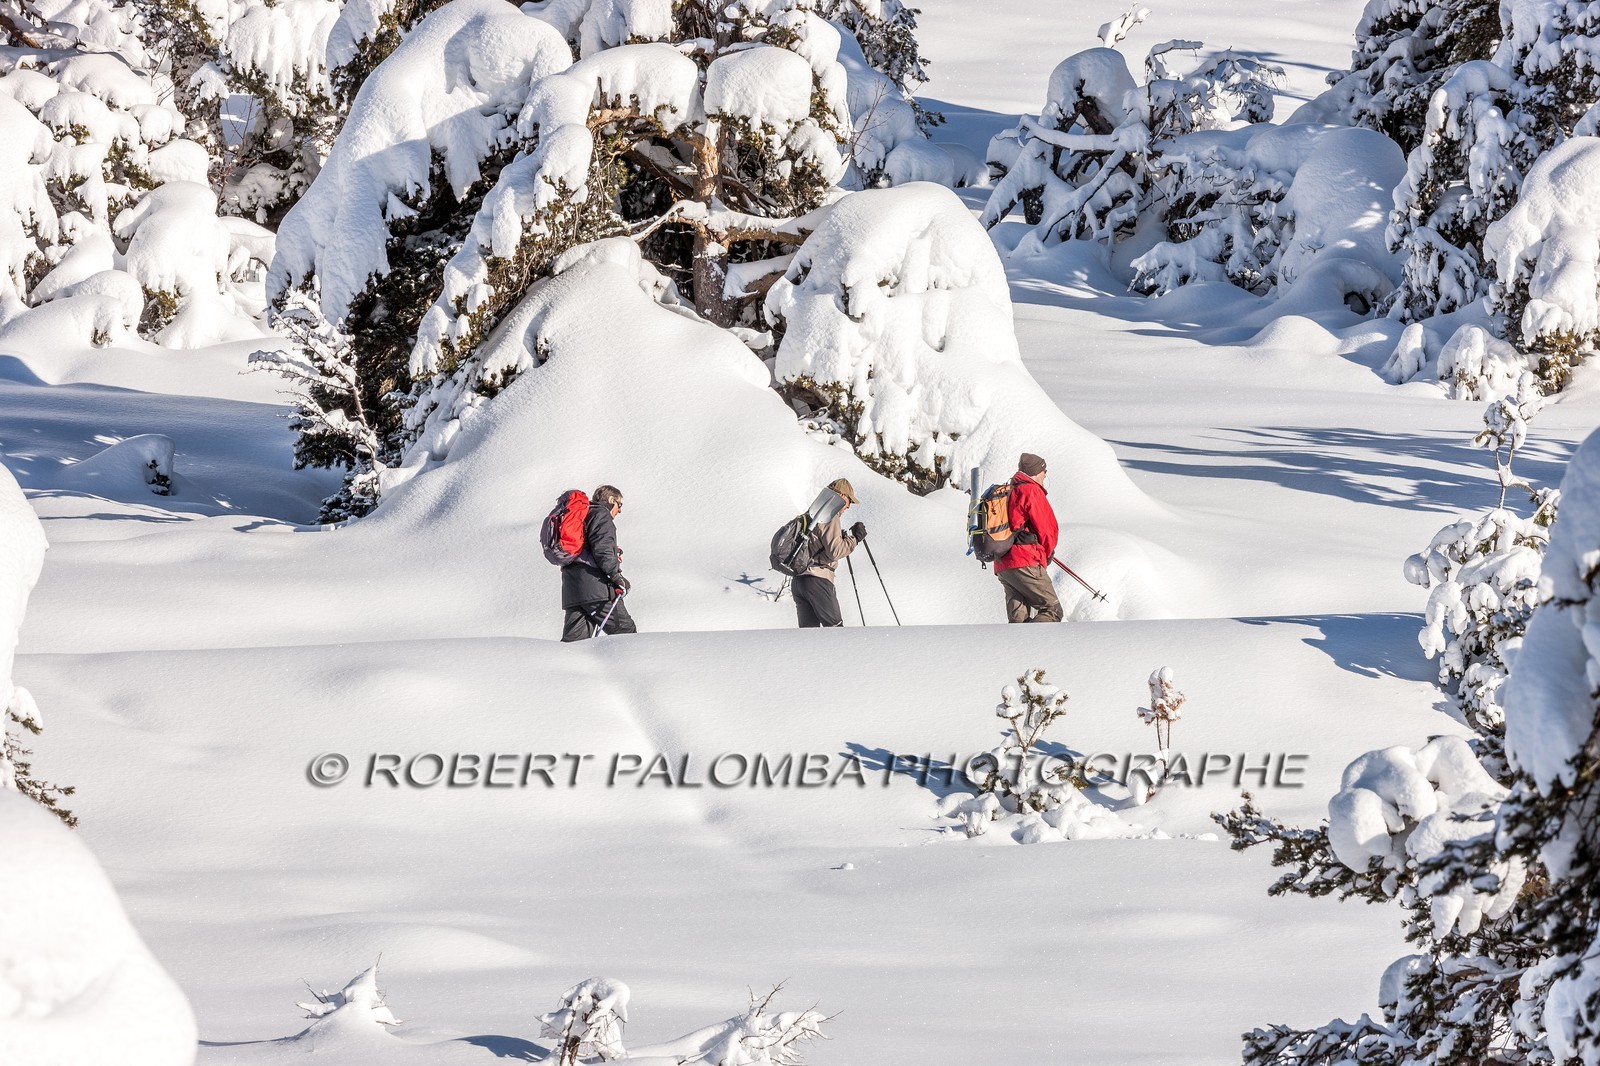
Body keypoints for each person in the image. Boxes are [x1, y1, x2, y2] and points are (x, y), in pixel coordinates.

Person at [561, 484, 637, 642]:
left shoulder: (582, 516)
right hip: (598, 591)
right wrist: (616, 576)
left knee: (574, 645)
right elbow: (602, 550)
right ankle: (628, 667)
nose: (620, 510)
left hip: (573, 590)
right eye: (619, 504)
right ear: (611, 500)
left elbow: (587, 549)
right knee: (626, 633)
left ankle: (563, 667)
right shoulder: (601, 515)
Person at [995, 453, 1062, 623]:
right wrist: (1046, 554)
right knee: (1052, 610)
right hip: (1025, 561)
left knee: (1018, 620)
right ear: (1035, 472)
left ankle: (1021, 648)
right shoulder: (1031, 491)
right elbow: (1048, 530)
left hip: (1003, 564)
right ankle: (1035, 647)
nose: (1045, 474)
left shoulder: (1009, 490)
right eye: (1043, 470)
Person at [793, 478, 866, 628]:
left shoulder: (813, 512)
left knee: (809, 635)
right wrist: (855, 538)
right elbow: (835, 551)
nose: (848, 507)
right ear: (842, 496)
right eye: (849, 501)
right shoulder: (829, 514)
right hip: (817, 580)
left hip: (799, 581)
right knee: (835, 630)